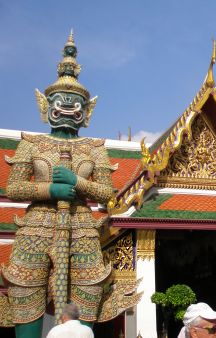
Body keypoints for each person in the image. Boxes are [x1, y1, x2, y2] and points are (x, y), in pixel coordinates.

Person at [1, 32, 138, 338]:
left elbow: (107, 193)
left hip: (82, 226)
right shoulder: (31, 145)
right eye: (59, 101)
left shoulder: (94, 148)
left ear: (86, 111)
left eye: (74, 102)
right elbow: (13, 188)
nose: (66, 107)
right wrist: (50, 190)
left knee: (89, 292)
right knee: (26, 292)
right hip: (36, 226)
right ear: (45, 105)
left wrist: (77, 182)